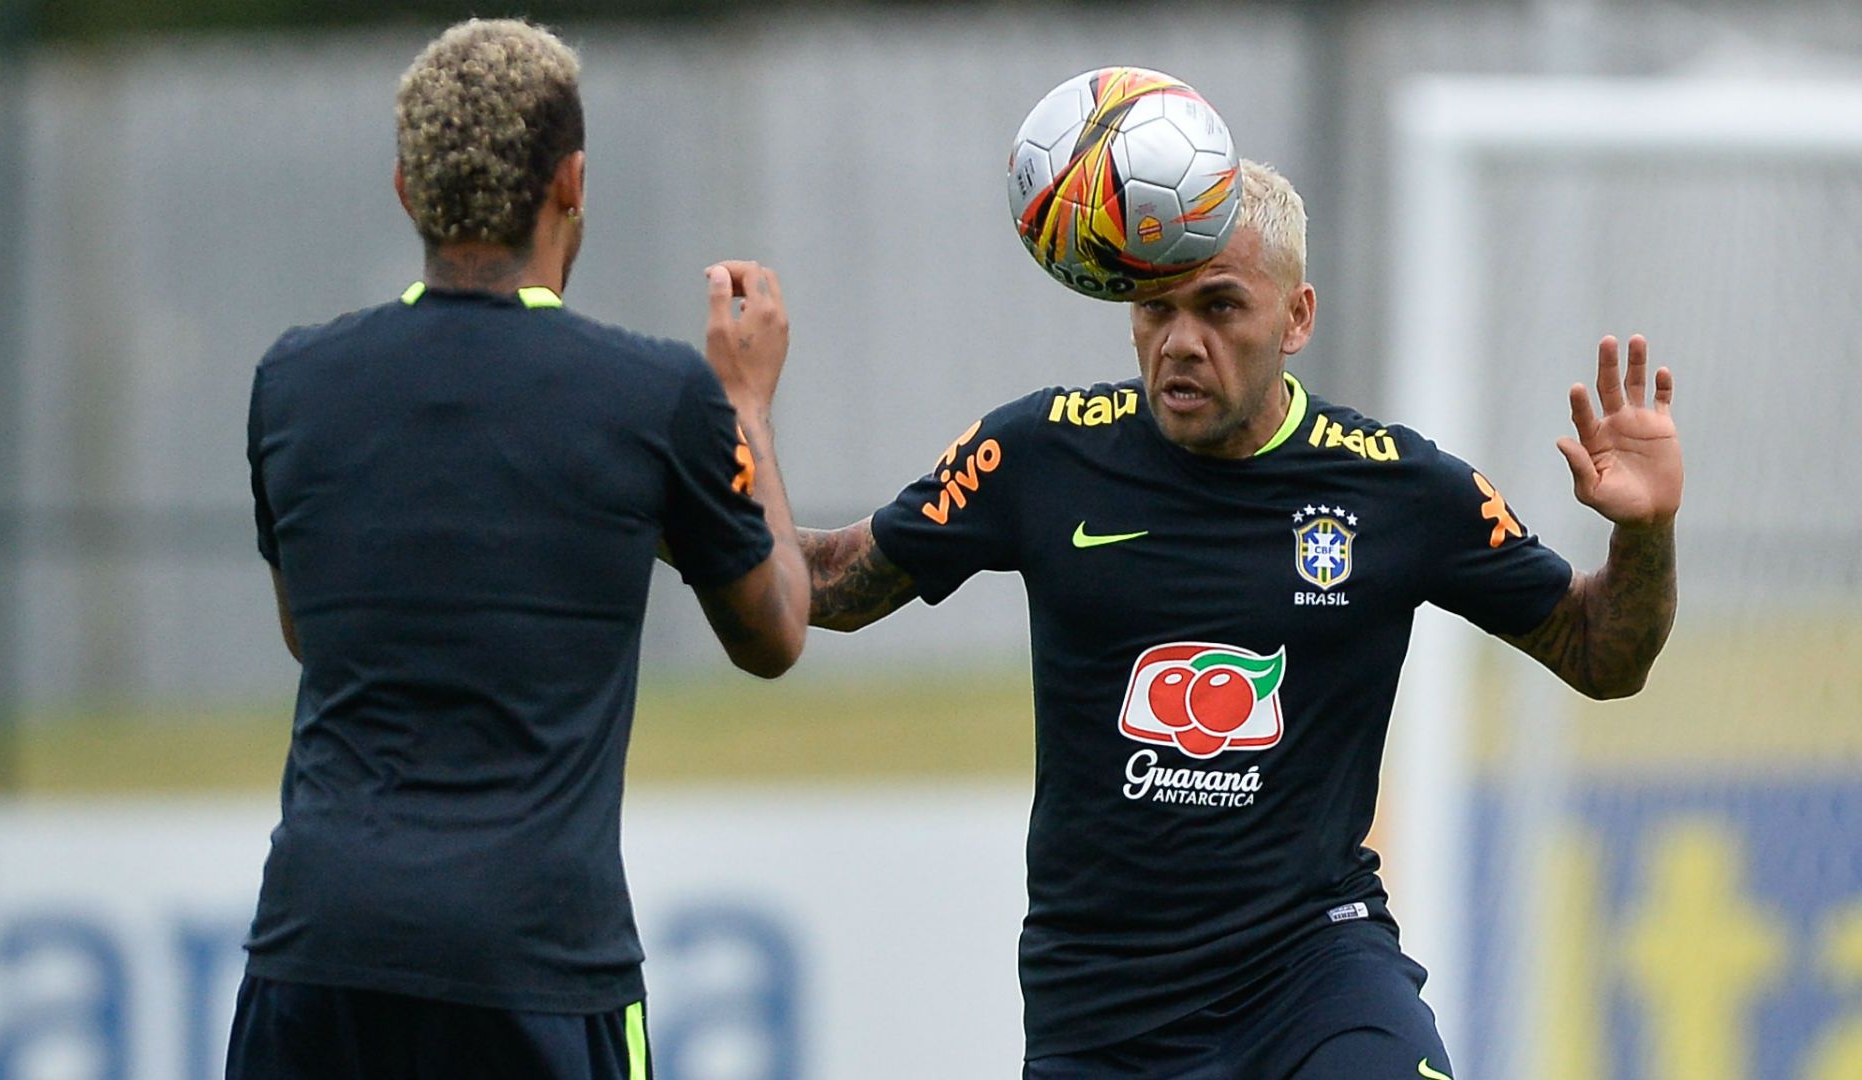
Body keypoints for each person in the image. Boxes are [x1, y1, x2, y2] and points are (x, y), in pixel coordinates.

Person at [798, 160, 1680, 1078]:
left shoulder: (1399, 488)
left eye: (1218, 308)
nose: (1180, 342)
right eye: (1155, 308)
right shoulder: (1038, 454)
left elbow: (1600, 653)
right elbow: (831, 586)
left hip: (1313, 971)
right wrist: (680, 489)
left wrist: (1647, 532)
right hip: (1103, 1006)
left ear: (1296, 317)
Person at [231, 19, 808, 1079]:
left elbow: (309, 634)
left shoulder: (295, 383)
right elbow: (774, 631)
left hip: (315, 955)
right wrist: (746, 406)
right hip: (537, 961)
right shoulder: (652, 393)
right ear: (573, 181)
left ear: (406, 189)